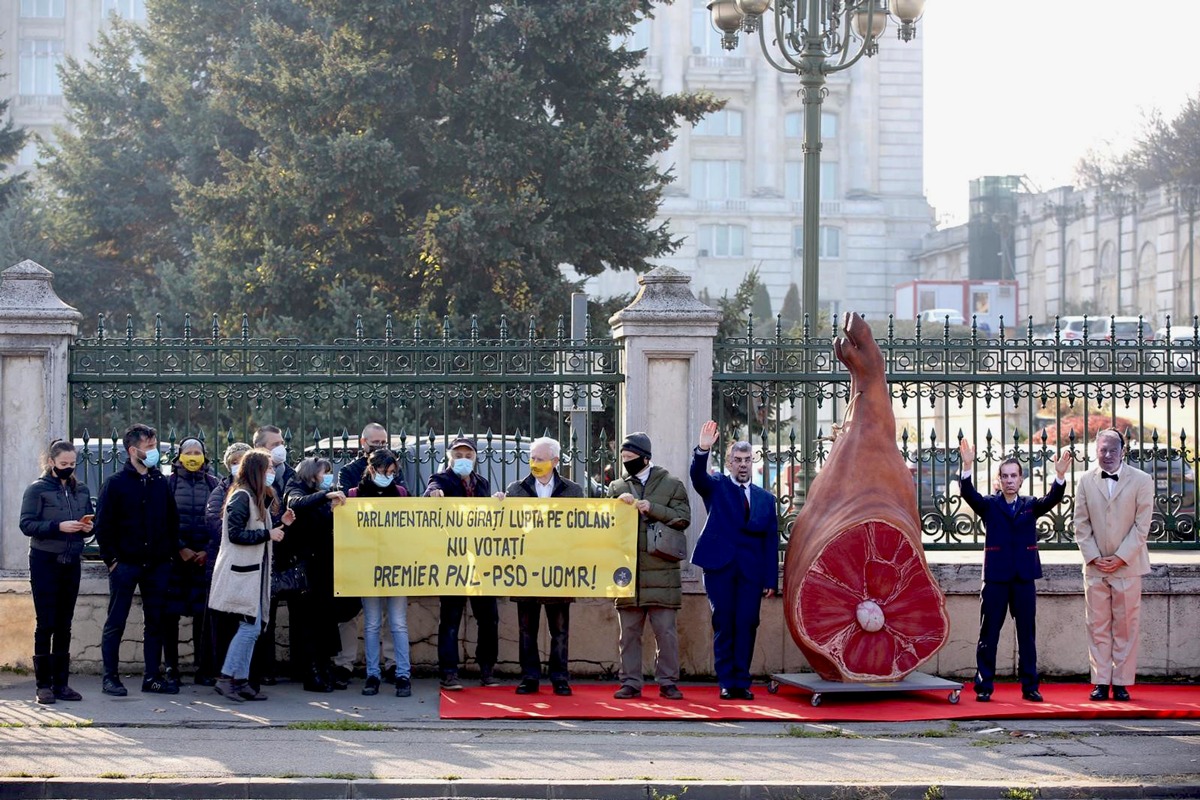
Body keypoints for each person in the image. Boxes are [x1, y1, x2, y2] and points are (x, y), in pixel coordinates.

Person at [958, 438, 1071, 703]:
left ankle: (1030, 686)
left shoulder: (1031, 505)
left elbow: (1053, 497)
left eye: (1014, 476)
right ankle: (984, 686)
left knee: (1026, 635)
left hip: (1024, 579)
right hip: (996, 578)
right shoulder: (989, 505)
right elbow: (968, 494)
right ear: (999, 480)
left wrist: (1060, 475)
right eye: (1005, 476)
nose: (1009, 480)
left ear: (1021, 480)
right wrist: (966, 466)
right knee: (989, 634)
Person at [689, 422, 779, 701]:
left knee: (748, 623)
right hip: (719, 569)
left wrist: (770, 580)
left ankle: (743, 681)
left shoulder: (766, 499)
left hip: (752, 572)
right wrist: (703, 449)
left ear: (753, 462)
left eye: (747, 460)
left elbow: (771, 541)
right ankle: (727, 682)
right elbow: (697, 477)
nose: (742, 465)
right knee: (724, 623)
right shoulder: (716, 487)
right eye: (737, 460)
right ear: (728, 463)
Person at [494, 436, 585, 697]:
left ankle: (559, 678)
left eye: (540, 459)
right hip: (526, 569)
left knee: (559, 630)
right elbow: (506, 527)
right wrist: (499, 504)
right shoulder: (516, 489)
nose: (535, 463)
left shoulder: (573, 491)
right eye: (532, 458)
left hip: (559, 570)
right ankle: (529, 677)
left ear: (555, 461)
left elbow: (582, 528)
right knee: (526, 629)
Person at [95, 424, 181, 697]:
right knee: (116, 620)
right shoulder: (116, 484)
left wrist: (167, 557)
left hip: (157, 564)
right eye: (150, 447)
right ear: (133, 450)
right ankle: (110, 677)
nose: (154, 451)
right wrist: (112, 561)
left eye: (155, 446)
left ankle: (152, 677)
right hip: (125, 564)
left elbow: (172, 521)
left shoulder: (160, 482)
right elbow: (103, 525)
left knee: (155, 622)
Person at [607, 432, 691, 700]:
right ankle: (630, 681)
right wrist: (617, 508)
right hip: (628, 572)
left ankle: (668, 681)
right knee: (628, 633)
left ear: (645, 458)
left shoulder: (672, 483)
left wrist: (651, 508)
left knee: (665, 632)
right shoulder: (617, 487)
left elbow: (682, 518)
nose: (626, 462)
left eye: (630, 458)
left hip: (661, 570)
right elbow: (605, 523)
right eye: (623, 458)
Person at [1074, 428, 1153, 702]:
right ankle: (1100, 681)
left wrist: (1120, 557)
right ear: (1096, 450)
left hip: (1128, 566)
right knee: (1096, 625)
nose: (1106, 455)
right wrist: (1094, 556)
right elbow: (1080, 523)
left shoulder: (1143, 480)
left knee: (1126, 627)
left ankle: (1121, 682)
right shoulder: (1084, 480)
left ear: (1123, 451)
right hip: (1095, 567)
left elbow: (1142, 526)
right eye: (1102, 450)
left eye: (1112, 450)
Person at [208, 448, 286, 702]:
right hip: (240, 574)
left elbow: (257, 527)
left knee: (252, 628)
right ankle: (227, 677)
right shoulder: (241, 497)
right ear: (257, 471)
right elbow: (236, 534)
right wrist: (267, 534)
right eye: (269, 468)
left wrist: (280, 522)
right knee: (249, 629)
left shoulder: (255, 498)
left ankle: (240, 680)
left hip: (252, 575)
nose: (273, 473)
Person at [20, 439, 94, 704]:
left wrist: (87, 527)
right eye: (63, 463)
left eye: (72, 464)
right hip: (45, 561)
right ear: (51, 462)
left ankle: (62, 684)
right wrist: (57, 526)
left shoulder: (81, 490)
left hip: (71, 561)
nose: (68, 468)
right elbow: (27, 524)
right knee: (46, 622)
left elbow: (89, 518)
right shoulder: (37, 490)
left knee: (65, 623)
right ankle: (43, 685)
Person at [425, 436, 500, 690]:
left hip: (480, 560)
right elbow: (427, 497)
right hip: (452, 560)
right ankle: (449, 673)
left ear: (476, 457)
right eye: (458, 455)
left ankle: (487, 669)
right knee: (450, 619)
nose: (463, 460)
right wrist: (432, 495)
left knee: (488, 618)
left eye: (468, 455)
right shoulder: (441, 480)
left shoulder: (482, 483)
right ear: (449, 457)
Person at [333, 422, 401, 687]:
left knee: (391, 615)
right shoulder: (349, 472)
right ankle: (345, 663)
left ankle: (392, 663)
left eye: (384, 443)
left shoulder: (396, 470)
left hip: (390, 550)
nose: (380, 446)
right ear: (363, 443)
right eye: (375, 442)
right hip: (357, 551)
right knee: (349, 613)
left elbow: (406, 504)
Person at [351, 449, 413, 698]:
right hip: (368, 568)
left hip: (396, 567)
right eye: (384, 472)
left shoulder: (400, 493)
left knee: (398, 623)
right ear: (371, 468)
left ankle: (403, 674)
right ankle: (372, 674)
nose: (388, 476)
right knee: (373, 624)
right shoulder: (354, 495)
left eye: (392, 473)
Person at [283, 456, 347, 693]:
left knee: (325, 622)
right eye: (324, 472)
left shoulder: (321, 496)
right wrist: (325, 496)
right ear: (311, 473)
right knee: (307, 623)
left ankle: (324, 668)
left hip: (323, 567)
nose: (327, 477)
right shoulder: (295, 488)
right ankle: (311, 673)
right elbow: (297, 504)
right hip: (304, 569)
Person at [163, 437, 220, 691]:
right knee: (170, 617)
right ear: (180, 456)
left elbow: (220, 519)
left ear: (205, 456)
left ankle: (203, 668)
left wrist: (207, 551)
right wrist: (180, 548)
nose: (194, 456)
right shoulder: (169, 484)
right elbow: (162, 521)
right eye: (189, 452)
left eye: (198, 452)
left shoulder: (213, 483)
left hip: (204, 562)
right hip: (176, 562)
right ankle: (171, 668)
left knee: (203, 618)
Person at [202, 442, 252, 686]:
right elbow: (216, 525)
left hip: (248, 568)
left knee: (245, 625)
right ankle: (221, 673)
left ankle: (241, 675)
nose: (239, 466)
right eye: (235, 461)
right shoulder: (220, 492)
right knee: (223, 624)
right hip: (224, 565)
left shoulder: (256, 491)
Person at [250, 425, 295, 686]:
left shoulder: (290, 474)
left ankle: (294, 667)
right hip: (260, 553)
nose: (281, 447)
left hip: (287, 553)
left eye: (282, 441)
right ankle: (262, 669)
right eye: (275, 443)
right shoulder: (250, 481)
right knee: (262, 617)